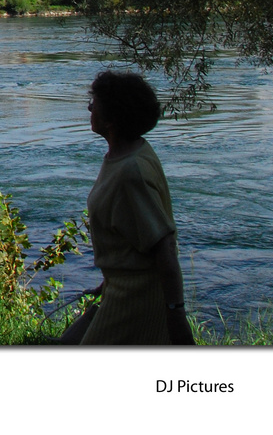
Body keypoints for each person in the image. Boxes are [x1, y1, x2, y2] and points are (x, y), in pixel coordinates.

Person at [60, 70, 195, 345]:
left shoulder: (131, 171)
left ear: (112, 119)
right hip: (119, 288)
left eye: (94, 103)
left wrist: (175, 313)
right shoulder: (129, 153)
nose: (89, 108)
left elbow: (164, 246)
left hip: (138, 298)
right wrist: (109, 279)